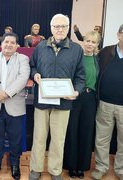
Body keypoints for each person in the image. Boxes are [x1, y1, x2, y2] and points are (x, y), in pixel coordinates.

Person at [29, 14, 85, 180]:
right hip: (42, 101)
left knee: (58, 139)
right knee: (39, 137)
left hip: (63, 102)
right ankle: (35, 168)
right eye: (56, 26)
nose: (60, 29)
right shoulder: (40, 47)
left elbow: (80, 76)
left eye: (63, 26)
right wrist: (35, 74)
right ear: (51, 28)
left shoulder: (76, 50)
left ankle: (55, 170)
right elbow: (32, 66)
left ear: (68, 28)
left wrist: (76, 91)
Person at [0, 32, 30, 179]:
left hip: (15, 105)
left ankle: (15, 164)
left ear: (17, 46)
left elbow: (23, 78)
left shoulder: (23, 59)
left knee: (15, 137)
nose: (9, 45)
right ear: (1, 44)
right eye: (6, 42)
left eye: (12, 42)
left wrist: (7, 93)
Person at [63, 31, 101, 179]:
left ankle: (82, 166)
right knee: (72, 130)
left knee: (86, 131)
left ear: (97, 45)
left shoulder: (98, 60)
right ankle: (71, 166)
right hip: (74, 97)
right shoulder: (76, 58)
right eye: (87, 41)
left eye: (93, 42)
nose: (90, 44)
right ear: (83, 41)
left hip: (90, 98)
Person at [91, 24, 123, 180]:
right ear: (118, 35)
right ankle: (101, 167)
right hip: (104, 104)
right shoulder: (106, 52)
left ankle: (121, 169)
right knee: (102, 138)